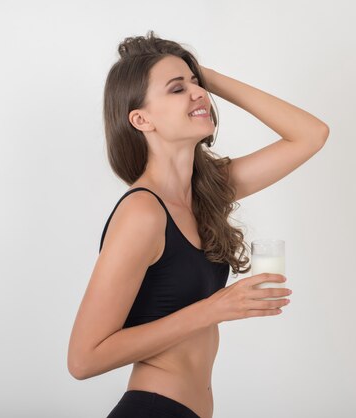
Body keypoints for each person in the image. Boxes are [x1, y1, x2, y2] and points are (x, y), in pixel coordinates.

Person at [67, 30, 329, 418]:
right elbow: (83, 359)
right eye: (176, 89)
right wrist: (216, 307)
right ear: (141, 119)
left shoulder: (205, 192)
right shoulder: (143, 213)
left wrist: (202, 75)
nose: (198, 94)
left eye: (196, 84)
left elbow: (310, 135)